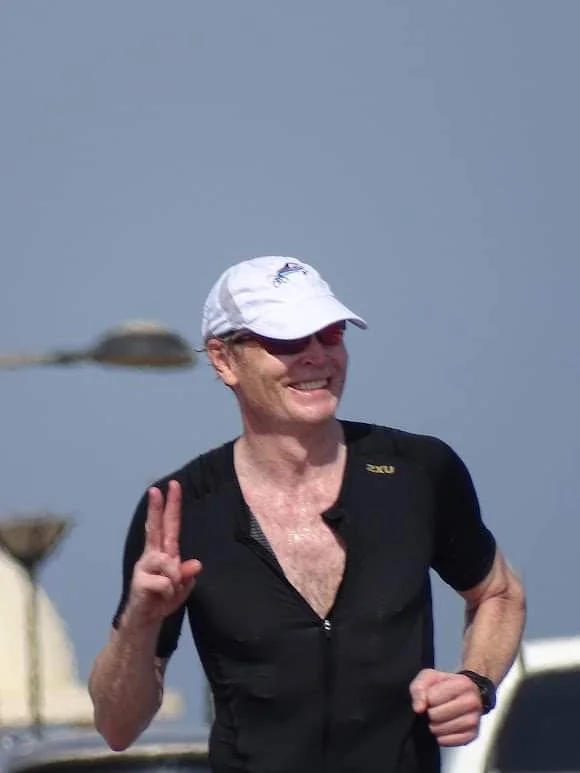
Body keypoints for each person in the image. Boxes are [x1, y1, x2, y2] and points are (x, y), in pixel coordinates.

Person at [89, 256, 526, 773]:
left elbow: (498, 593)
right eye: (287, 341)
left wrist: (475, 682)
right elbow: (118, 727)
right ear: (224, 359)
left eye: (331, 334)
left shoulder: (418, 472)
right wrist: (140, 621)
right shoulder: (180, 510)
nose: (318, 357)